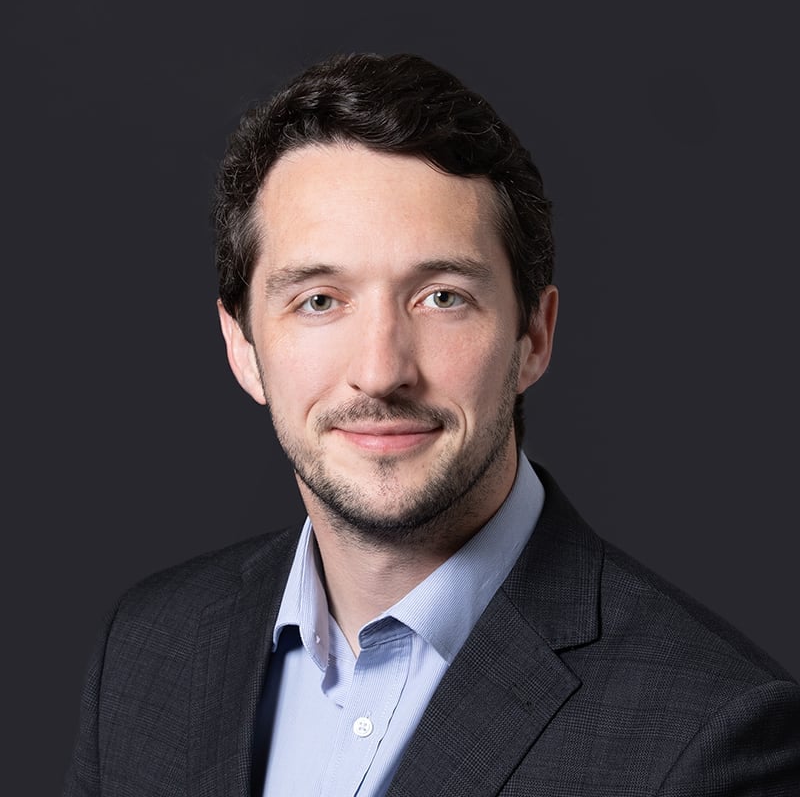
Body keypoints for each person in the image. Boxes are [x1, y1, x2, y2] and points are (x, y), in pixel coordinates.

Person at [63, 52, 800, 796]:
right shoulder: (147, 648)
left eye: (442, 297)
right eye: (319, 300)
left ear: (533, 336)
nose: (382, 371)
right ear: (243, 348)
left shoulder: (712, 738)